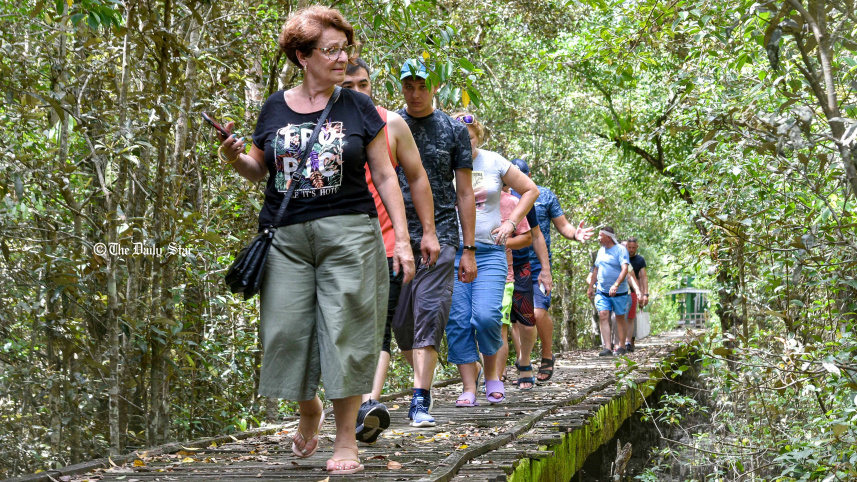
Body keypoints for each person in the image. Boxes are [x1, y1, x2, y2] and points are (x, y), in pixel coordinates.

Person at [217, 6, 414, 475]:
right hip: (286, 237)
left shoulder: (359, 107)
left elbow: (386, 176)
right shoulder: (274, 107)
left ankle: (346, 440)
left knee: (346, 332)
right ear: (302, 56)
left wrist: (403, 239)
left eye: (345, 49)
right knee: (283, 332)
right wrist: (233, 156)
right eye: (331, 50)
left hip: (350, 232)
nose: (342, 58)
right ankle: (309, 410)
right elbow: (258, 170)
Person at [339, 58, 439, 443]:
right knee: (341, 330)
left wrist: (425, 233)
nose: (359, 93)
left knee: (377, 328)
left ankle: (369, 406)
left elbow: (417, 177)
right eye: (351, 87)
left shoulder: (390, 123)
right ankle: (344, 405)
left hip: (384, 243)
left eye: (364, 85)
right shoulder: (318, 124)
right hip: (335, 245)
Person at [391, 59, 476, 427]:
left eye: (422, 85)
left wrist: (469, 248)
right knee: (400, 326)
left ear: (436, 87)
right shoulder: (390, 124)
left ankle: (419, 401)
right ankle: (421, 380)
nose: (415, 93)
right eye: (408, 85)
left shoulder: (453, 130)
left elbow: (465, 191)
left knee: (429, 314)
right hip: (396, 235)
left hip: (441, 234)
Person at [446, 112, 537, 407]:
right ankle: (468, 387)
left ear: (478, 138)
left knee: (486, 317)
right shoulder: (441, 161)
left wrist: (511, 222)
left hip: (489, 252)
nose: (463, 144)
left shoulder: (493, 161)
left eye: (468, 139)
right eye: (458, 138)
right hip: (452, 252)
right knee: (458, 321)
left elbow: (529, 190)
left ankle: (493, 376)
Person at [509, 159, 594, 381]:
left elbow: (563, 225)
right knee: (516, 319)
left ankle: (547, 354)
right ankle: (523, 359)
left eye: (522, 175)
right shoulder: (503, 195)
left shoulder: (543, 195)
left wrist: (576, 234)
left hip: (537, 263)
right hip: (509, 262)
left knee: (537, 312)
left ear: (529, 175)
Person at [496, 187, 538, 390]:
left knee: (527, 323)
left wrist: (545, 270)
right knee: (499, 325)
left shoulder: (518, 202)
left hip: (521, 268)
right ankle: (496, 376)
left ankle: (525, 361)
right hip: (493, 271)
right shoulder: (471, 199)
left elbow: (534, 236)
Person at [587, 227, 631, 356]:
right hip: (602, 291)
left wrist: (616, 285)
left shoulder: (621, 250)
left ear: (608, 237)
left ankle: (622, 346)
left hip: (619, 292)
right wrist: (591, 287)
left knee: (619, 317)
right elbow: (595, 270)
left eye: (601, 235)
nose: (598, 238)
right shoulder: (600, 251)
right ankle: (607, 347)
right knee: (603, 315)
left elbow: (624, 269)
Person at [625, 237, 649, 351]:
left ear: (637, 247)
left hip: (634, 292)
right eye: (629, 247)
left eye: (633, 248)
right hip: (620, 291)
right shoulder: (622, 258)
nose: (631, 250)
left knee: (631, 317)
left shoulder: (640, 260)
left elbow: (643, 277)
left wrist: (645, 294)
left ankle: (629, 342)